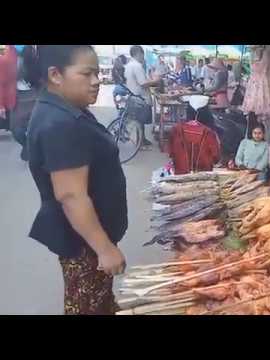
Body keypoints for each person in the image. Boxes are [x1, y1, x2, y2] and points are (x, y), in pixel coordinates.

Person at [25, 45, 128, 315]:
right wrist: (104, 249)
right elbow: (71, 196)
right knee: (87, 308)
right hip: (85, 245)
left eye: (97, 73)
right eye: (87, 74)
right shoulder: (60, 123)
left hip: (86, 239)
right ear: (55, 75)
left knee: (98, 305)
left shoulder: (66, 109)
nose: (97, 81)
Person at [124, 45, 161, 146]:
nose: (143, 57)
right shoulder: (137, 66)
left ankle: (142, 139)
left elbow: (142, 80)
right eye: (142, 54)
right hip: (140, 97)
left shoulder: (129, 65)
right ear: (138, 54)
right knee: (140, 120)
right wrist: (156, 81)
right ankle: (140, 142)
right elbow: (143, 83)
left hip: (134, 95)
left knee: (140, 120)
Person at [10, 45, 41, 161]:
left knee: (32, 126)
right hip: (18, 96)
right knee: (16, 129)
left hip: (33, 95)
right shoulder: (12, 57)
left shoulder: (34, 58)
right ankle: (28, 146)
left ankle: (31, 148)